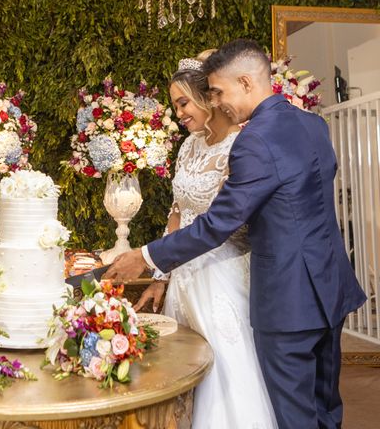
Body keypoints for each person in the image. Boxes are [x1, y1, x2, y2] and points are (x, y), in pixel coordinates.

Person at [105, 39, 366, 429]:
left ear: (246, 82)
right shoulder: (313, 124)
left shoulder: (253, 141)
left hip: (287, 299)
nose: (219, 102)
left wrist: (145, 257)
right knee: (325, 406)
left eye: (219, 91)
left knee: (294, 415)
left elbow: (217, 225)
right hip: (329, 287)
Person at [133, 52, 278, 428]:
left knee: (225, 366)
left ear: (207, 97)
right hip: (183, 277)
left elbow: (229, 223)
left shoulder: (241, 147)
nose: (178, 113)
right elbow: (177, 213)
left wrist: (152, 258)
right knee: (182, 368)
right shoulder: (188, 147)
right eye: (174, 106)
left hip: (222, 274)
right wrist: (161, 277)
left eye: (183, 103)